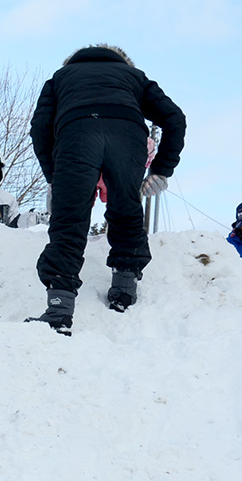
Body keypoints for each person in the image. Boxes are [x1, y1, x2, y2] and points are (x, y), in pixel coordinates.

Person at [27, 44, 186, 333]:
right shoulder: (135, 77)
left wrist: (54, 176)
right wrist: (162, 170)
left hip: (77, 134)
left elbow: (39, 127)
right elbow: (175, 118)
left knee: (69, 220)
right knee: (126, 208)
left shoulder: (60, 78)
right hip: (127, 136)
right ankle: (125, 289)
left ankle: (59, 309)